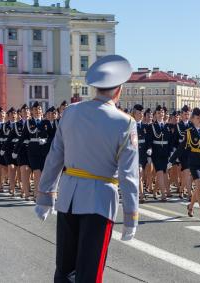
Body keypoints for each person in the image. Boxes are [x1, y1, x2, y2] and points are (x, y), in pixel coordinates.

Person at [34, 55, 139, 282]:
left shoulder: (71, 112)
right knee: (89, 274)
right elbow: (129, 176)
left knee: (64, 271)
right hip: (99, 203)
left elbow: (54, 157)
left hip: (68, 199)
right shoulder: (125, 123)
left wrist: (44, 197)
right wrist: (131, 217)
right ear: (118, 90)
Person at [171, 107, 200, 222]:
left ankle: (190, 206)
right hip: (194, 162)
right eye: (197, 118)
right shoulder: (189, 132)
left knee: (199, 189)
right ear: (192, 119)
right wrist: (171, 161)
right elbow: (181, 148)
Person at [146, 105, 173, 201]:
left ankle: (154, 191)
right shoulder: (152, 126)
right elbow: (149, 140)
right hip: (156, 152)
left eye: (162, 113)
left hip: (165, 152)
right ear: (155, 115)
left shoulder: (167, 126)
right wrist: (149, 149)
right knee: (160, 172)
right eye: (158, 113)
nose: (161, 114)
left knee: (164, 172)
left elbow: (170, 141)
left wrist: (171, 152)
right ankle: (163, 194)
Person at [133, 104, 149, 203]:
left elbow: (148, 141)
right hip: (134, 154)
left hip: (143, 154)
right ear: (134, 114)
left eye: (142, 113)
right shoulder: (130, 125)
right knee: (139, 174)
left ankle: (139, 193)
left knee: (141, 175)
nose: (141, 115)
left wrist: (149, 149)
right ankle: (141, 195)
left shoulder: (145, 127)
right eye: (139, 113)